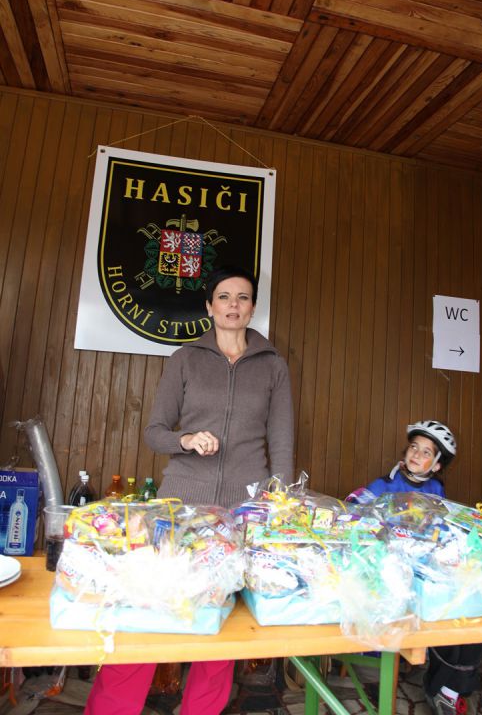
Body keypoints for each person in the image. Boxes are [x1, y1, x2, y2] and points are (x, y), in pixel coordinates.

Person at [84, 264, 295, 715]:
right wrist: (186, 439)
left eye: (242, 297)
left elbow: (281, 442)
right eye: (224, 297)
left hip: (240, 512)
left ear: (253, 307)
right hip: (180, 506)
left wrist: (278, 504)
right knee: (147, 612)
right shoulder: (185, 358)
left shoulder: (273, 366)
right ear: (209, 306)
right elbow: (154, 432)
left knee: (218, 624)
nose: (233, 305)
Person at [350, 420, 482, 715]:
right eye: (414, 447)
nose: (416, 454)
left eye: (426, 452)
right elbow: (354, 513)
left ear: (436, 465)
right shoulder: (384, 485)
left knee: (462, 600)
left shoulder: (436, 489)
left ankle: (447, 685)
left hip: (421, 567)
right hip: (387, 567)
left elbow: (440, 527)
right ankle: (381, 664)